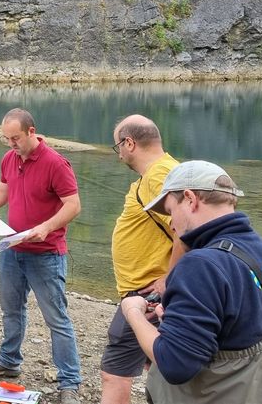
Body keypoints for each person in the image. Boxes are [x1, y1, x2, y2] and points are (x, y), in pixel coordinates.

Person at [122, 160, 262, 404]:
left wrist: (134, 314)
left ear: (190, 198)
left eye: (172, 211)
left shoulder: (200, 266)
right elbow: (247, 333)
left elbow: (175, 364)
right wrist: (178, 319)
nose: (172, 223)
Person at [0, 108, 83, 404]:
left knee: (57, 318)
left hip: (46, 253)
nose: (11, 143)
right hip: (12, 249)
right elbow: (3, 192)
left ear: (31, 132)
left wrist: (47, 226)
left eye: (15, 138)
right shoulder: (9, 159)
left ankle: (70, 382)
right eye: (6, 139)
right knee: (11, 310)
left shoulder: (56, 163)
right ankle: (9, 360)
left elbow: (73, 205)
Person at [101, 114, 184, 404]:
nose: (119, 154)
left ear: (129, 143)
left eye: (118, 147)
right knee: (161, 370)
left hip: (148, 293)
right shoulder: (156, 174)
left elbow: (186, 230)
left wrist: (167, 281)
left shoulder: (160, 175)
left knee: (115, 371)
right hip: (144, 291)